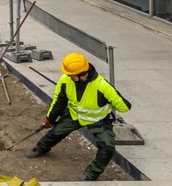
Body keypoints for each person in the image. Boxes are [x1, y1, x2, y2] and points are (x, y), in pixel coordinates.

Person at [25, 53, 132, 182]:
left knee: (107, 148)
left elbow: (125, 107)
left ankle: (91, 174)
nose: (69, 77)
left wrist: (111, 98)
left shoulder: (103, 86)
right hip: (74, 115)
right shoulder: (65, 80)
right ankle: (40, 149)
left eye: (72, 76)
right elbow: (59, 102)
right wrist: (50, 119)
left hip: (98, 120)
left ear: (82, 74)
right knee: (55, 133)